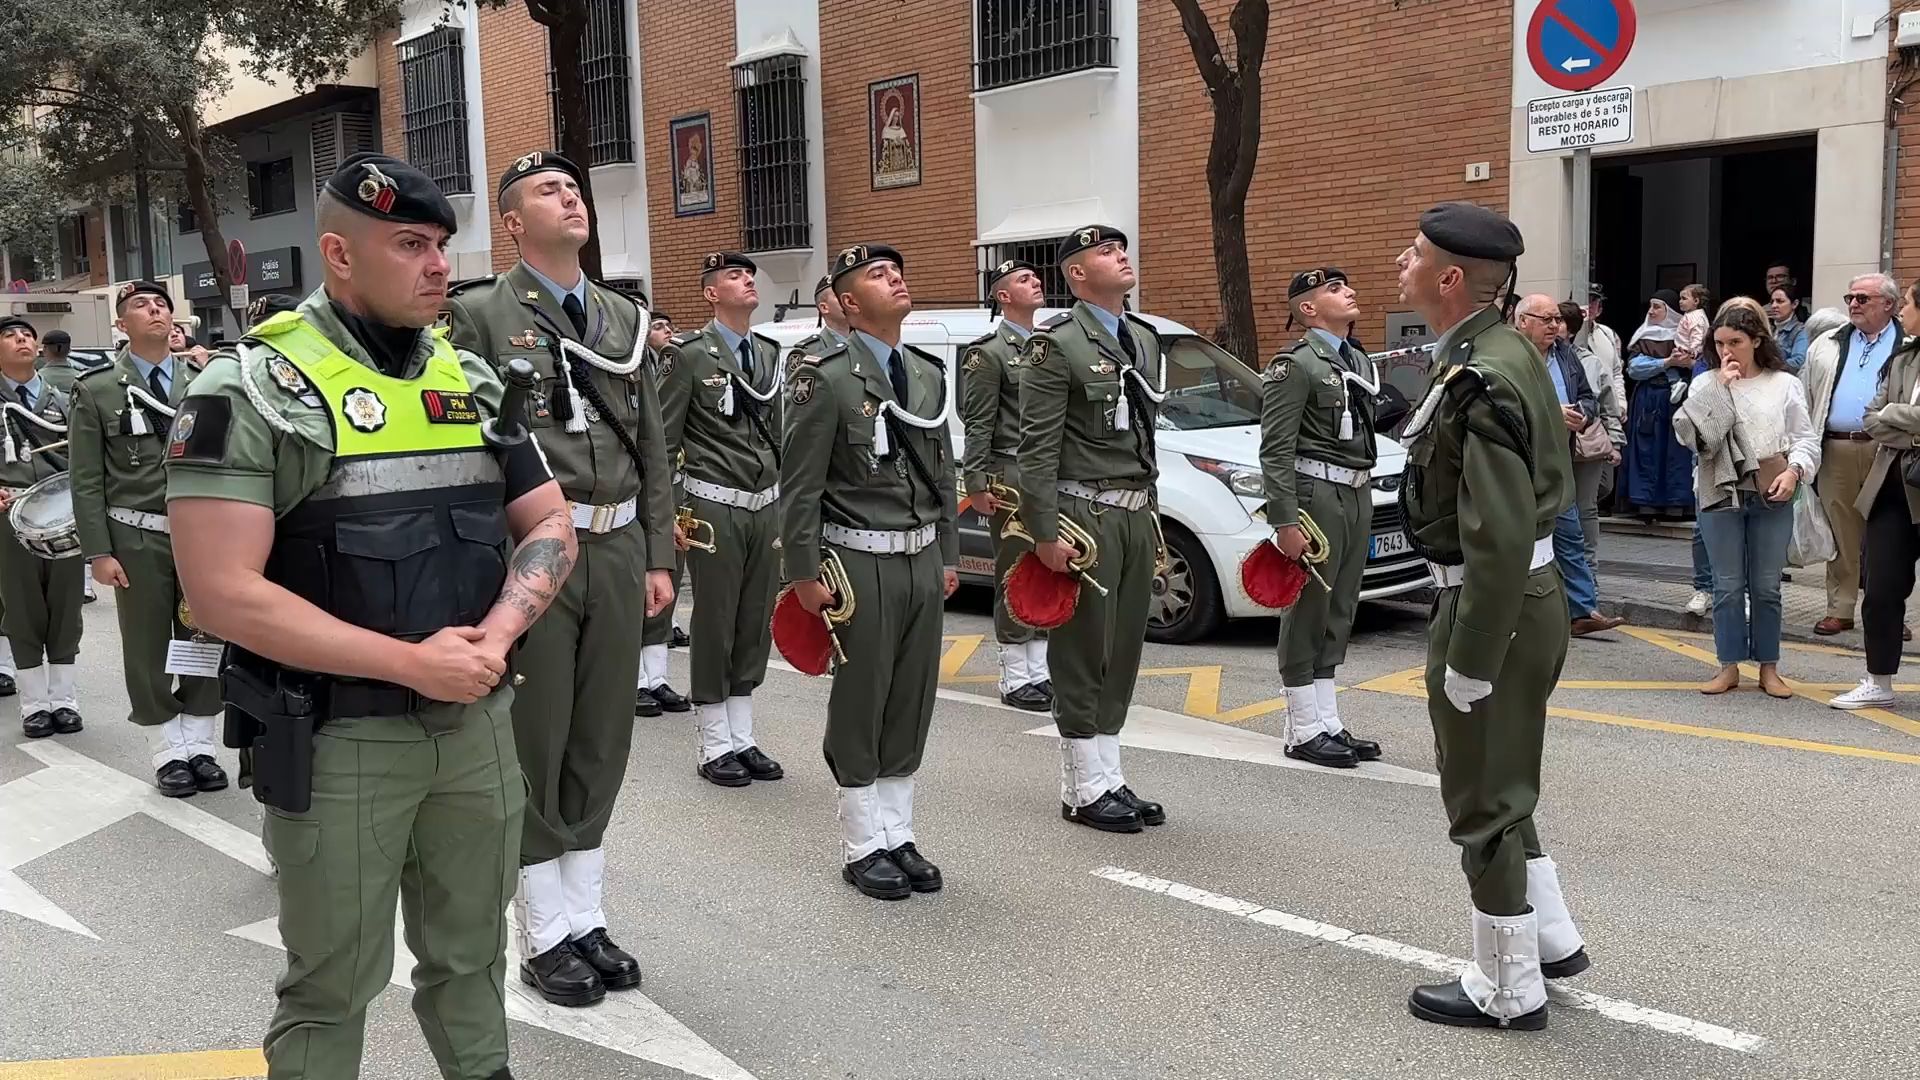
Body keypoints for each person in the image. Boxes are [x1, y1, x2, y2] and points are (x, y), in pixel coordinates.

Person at [166, 153, 573, 1079]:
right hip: (340, 741)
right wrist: (408, 664)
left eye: (441, 245)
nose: (439, 266)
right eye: (410, 245)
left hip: (476, 727)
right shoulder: (249, 388)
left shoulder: (472, 379)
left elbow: (549, 521)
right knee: (333, 985)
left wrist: (498, 638)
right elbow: (223, 590)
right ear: (338, 255)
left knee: (473, 961)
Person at [442, 149, 675, 1007]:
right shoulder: (479, 315)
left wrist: (658, 554)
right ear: (510, 222)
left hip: (616, 549)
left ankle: (587, 914)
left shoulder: (624, 315)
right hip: (533, 554)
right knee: (537, 735)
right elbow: (466, 452)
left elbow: (651, 444)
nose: (569, 196)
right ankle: (543, 931)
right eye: (548, 190)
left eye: (575, 188)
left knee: (603, 733)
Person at [1395, 203, 1588, 1031]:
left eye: (1413, 253)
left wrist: (1471, 652)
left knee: (1481, 797)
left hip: (1493, 602)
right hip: (1513, 600)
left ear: (1447, 279)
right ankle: (1549, 939)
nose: (1399, 261)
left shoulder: (1485, 372)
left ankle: (1507, 990)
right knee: (1505, 782)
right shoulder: (1491, 353)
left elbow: (1503, 536)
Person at [780, 243, 958, 900]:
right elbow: (799, 485)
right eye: (878, 276)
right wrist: (800, 574)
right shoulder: (823, 376)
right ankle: (862, 843)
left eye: (898, 271)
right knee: (863, 698)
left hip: (917, 558)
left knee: (912, 697)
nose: (897, 280)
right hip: (857, 560)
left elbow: (942, 470)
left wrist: (944, 552)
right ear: (849, 303)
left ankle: (898, 832)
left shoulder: (929, 373)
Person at [1017, 224, 1167, 834]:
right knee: (1083, 650)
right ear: (1076, 275)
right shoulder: (1058, 346)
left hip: (1134, 512)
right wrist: (1045, 533)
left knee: (1124, 646)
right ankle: (1082, 785)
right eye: (1105, 252)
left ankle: (1109, 774)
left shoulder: (1144, 339)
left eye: (1122, 247)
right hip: (1086, 515)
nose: (1121, 256)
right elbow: (1036, 449)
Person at [69, 281, 227, 795]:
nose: (154, 309)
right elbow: (86, 477)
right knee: (148, 645)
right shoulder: (96, 389)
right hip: (136, 535)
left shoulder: (205, 380)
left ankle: (201, 743)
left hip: (202, 536)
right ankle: (168, 750)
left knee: (205, 636)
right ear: (120, 325)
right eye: (140, 304)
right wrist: (98, 551)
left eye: (161, 303)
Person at [658, 252, 785, 786]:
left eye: (749, 274)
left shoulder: (772, 354)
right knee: (716, 621)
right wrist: (663, 517)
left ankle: (743, 734)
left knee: (755, 621)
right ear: (711, 293)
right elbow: (662, 443)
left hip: (765, 505)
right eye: (734, 276)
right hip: (713, 504)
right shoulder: (689, 356)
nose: (747, 280)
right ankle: (713, 741)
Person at [1257, 267, 1384, 770]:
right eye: (1334, 289)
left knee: (1341, 606)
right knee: (1309, 605)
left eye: (1346, 285)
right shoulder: (1297, 365)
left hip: (1354, 491)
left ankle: (1328, 719)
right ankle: (1302, 726)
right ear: (1307, 309)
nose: (1349, 291)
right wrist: (1285, 521)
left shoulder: (1355, 359)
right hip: (1316, 494)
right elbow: (1276, 448)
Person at [1673, 299, 1819, 698]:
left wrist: (1795, 472)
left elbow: (1806, 439)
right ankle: (1728, 665)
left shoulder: (1784, 383)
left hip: (1772, 487)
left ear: (1756, 341)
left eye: (1734, 341)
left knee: (1767, 585)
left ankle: (1769, 668)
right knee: (1727, 584)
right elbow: (1687, 435)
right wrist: (1718, 387)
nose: (1726, 351)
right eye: (1719, 343)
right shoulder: (1706, 383)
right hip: (1719, 490)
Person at [961, 258, 1053, 712]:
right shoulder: (989, 352)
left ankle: (1040, 668)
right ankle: (1016, 675)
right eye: (1023, 279)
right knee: (1016, 569)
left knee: (1048, 566)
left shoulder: (1047, 344)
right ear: (1002, 295)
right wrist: (976, 481)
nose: (1035, 281)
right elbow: (978, 422)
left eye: (1035, 277)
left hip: (1047, 473)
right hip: (1012, 472)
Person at [1831, 279, 1920, 708]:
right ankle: (1878, 681)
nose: (1904, 310)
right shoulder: (1904, 359)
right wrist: (1910, 430)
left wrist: (1898, 419)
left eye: (1906, 303)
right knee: (1881, 587)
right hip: (1892, 488)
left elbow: (1889, 415)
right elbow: (1872, 417)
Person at [1512, 295, 1622, 638]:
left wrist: (1583, 415)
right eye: (1546, 320)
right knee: (1519, 540)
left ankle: (1582, 610)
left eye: (1556, 320)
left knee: (1570, 534)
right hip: (1516, 463)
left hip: (1557, 459)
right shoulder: (1509, 357)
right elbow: (1501, 403)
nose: (1554, 326)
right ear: (1522, 322)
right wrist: (1549, 411)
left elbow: (1589, 397)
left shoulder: (1565, 354)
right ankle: (1514, 612)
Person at [1802, 273, 1904, 636]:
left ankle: (1887, 612)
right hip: (1837, 445)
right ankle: (1841, 608)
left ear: (1889, 305)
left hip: (1890, 450)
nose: (1854, 305)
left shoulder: (1909, 345)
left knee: (1889, 533)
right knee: (1841, 530)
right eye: (1850, 298)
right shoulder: (1826, 344)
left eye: (1863, 299)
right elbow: (1806, 396)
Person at [0, 316, 83, 737]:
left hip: (64, 515)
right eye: (11, 336)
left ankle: (65, 699)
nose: (22, 340)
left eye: (28, 335)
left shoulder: (65, 397)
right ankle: (34, 704)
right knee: (23, 608)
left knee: (67, 607)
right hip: (8, 517)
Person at [636, 304, 692, 715]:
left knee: (665, 583)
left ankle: (656, 677)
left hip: (669, 485)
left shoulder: (664, 364)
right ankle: (635, 678)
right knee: (638, 588)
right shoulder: (633, 365)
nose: (664, 332)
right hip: (638, 489)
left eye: (665, 325)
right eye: (656, 325)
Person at [1621, 290, 1695, 517]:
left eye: (1657, 307)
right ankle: (1646, 501)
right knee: (1648, 449)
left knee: (1677, 449)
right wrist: (1667, 362)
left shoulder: (1687, 336)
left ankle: (1676, 502)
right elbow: (1634, 369)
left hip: (1678, 399)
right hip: (1649, 399)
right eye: (1651, 306)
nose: (1651, 311)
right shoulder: (1642, 335)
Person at [1561, 302, 1623, 570]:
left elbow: (1607, 403)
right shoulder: (1533, 357)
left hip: (1586, 440)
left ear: (1572, 329)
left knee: (1587, 505)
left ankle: (1588, 569)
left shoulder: (1589, 360)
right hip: (1552, 441)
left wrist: (1615, 441)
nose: (1553, 326)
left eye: (1559, 321)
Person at [1768, 288, 1810, 373]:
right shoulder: (1768, 329)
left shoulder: (1801, 331)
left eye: (1780, 301)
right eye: (1772, 301)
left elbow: (1798, 361)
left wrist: (1769, 367)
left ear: (1794, 304)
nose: (1774, 305)